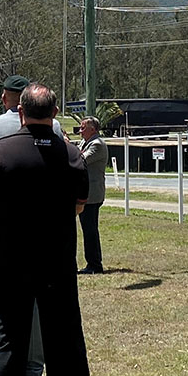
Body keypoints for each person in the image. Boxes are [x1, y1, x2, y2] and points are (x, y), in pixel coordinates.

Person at [0, 83, 92, 376]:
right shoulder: (71, 154)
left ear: (20, 112)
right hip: (58, 265)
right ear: (54, 114)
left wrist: (7, 224)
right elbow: (79, 206)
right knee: (65, 345)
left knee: (9, 344)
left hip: (11, 263)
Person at [0, 73, 64, 376]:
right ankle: (35, 369)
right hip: (50, 235)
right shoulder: (56, 129)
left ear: (7, 99)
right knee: (43, 307)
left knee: (9, 315)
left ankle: (10, 374)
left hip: (7, 234)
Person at [78, 116, 108, 274]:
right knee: (88, 229)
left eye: (83, 128)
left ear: (93, 129)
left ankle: (95, 265)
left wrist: (66, 144)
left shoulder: (97, 145)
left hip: (92, 194)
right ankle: (92, 262)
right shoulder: (85, 142)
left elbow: (80, 159)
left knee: (90, 230)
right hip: (85, 193)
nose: (80, 131)